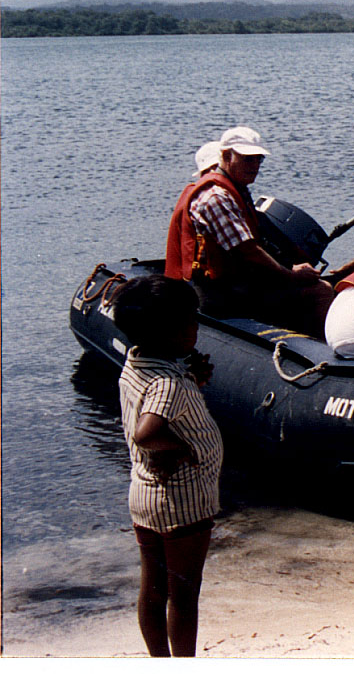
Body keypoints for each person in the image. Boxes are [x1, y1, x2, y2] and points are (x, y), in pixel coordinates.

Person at [112, 275, 223, 657]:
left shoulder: (136, 362)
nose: (197, 325)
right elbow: (147, 432)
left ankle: (157, 660)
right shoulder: (169, 386)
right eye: (192, 320)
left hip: (143, 494)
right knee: (184, 594)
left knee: (153, 586)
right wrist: (181, 448)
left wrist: (190, 377)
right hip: (183, 499)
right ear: (174, 331)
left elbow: (152, 400)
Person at [164, 126, 334, 337]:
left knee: (310, 285)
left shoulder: (234, 189)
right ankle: (330, 354)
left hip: (236, 286)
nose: (254, 165)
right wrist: (290, 275)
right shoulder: (215, 197)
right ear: (226, 155)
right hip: (219, 294)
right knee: (321, 291)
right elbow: (247, 250)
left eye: (258, 159)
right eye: (247, 159)